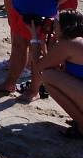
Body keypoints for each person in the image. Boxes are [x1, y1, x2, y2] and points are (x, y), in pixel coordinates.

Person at [32, 10, 83, 139]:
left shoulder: (68, 44)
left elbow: (39, 67)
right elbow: (53, 62)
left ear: (64, 27)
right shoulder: (77, 41)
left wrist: (35, 39)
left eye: (55, 25)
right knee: (55, 74)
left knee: (48, 76)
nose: (53, 29)